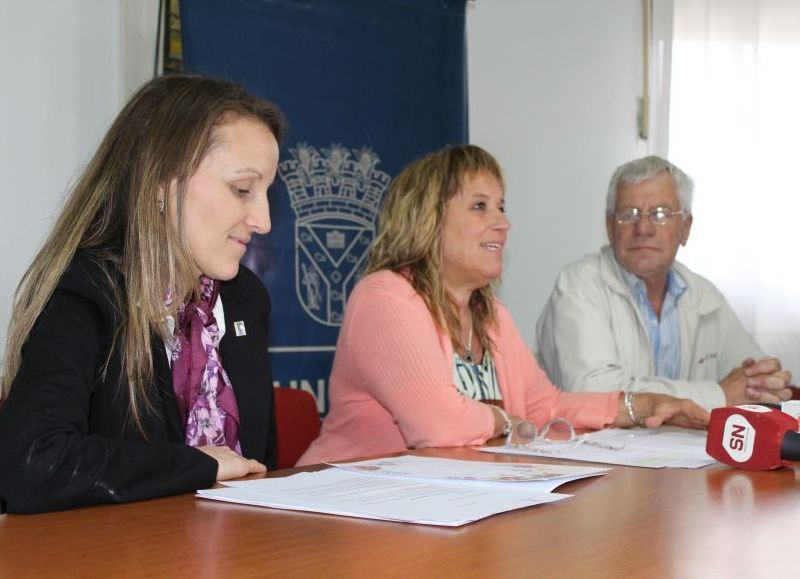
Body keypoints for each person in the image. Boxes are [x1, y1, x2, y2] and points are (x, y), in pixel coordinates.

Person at [298, 146, 708, 466]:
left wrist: (639, 406)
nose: (503, 223)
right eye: (480, 206)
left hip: (441, 507)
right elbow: (438, 427)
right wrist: (504, 421)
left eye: (501, 207)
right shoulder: (384, 298)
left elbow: (544, 408)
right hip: (344, 513)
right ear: (428, 218)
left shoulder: (491, 315)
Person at [0, 74, 283, 513]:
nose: (263, 220)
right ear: (162, 184)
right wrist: (194, 464)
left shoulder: (246, 300)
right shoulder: (86, 292)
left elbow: (260, 466)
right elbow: (35, 464)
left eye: (267, 193)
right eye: (242, 189)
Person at [536, 155, 792, 411]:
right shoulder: (580, 285)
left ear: (686, 228)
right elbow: (592, 391)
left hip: (680, 450)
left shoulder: (703, 295)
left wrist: (764, 382)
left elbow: (751, 379)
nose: (643, 228)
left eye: (660, 214)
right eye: (629, 214)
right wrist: (717, 395)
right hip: (587, 449)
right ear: (609, 227)